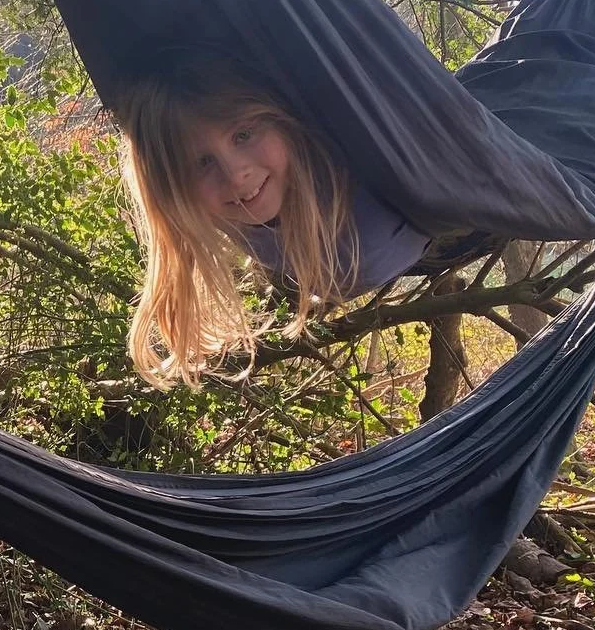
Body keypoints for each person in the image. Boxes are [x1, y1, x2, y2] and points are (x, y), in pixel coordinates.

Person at [117, 50, 429, 387]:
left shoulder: (362, 218)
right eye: (202, 163)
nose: (235, 175)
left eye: (243, 135)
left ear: (284, 121)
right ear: (177, 188)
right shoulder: (222, 210)